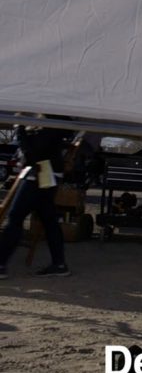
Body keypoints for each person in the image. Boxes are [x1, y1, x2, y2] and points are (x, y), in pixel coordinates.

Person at [0, 119, 73, 279]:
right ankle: (59, 264)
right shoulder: (55, 123)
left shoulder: (49, 123)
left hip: (40, 171)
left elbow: (32, 152)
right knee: (49, 219)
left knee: (16, 216)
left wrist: (20, 131)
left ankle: (1, 263)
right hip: (46, 172)